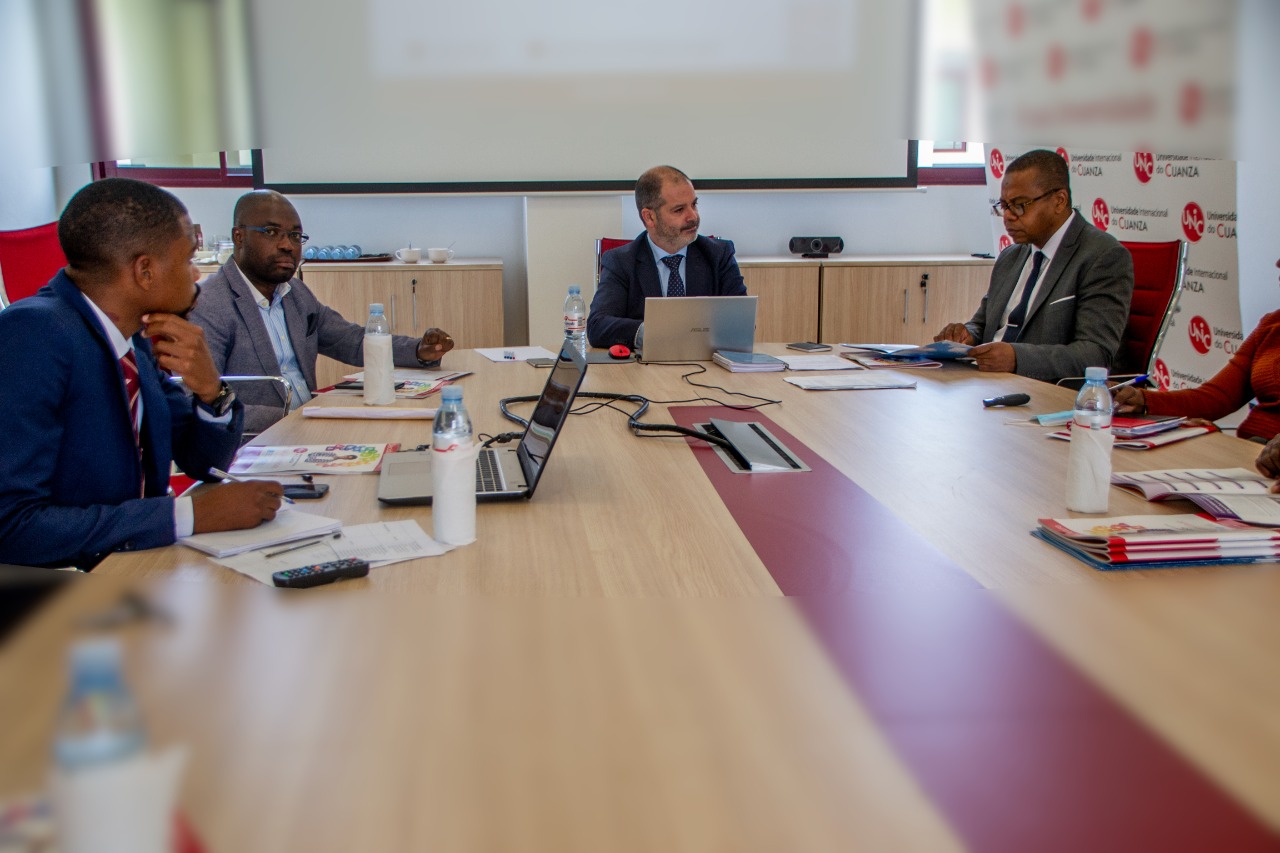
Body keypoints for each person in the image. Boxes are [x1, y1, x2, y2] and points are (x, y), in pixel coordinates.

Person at [0, 178, 283, 570]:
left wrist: (211, 390)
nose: (195, 275)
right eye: (187, 260)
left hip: (136, 566)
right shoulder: (33, 335)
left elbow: (205, 464)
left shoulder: (134, 337)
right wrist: (186, 516)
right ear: (145, 271)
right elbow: (11, 526)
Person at [189, 190, 456, 435]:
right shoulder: (210, 305)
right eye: (271, 232)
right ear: (239, 236)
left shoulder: (295, 293)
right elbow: (201, 404)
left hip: (309, 431)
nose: (287, 245)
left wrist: (418, 351)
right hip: (255, 445)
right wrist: (296, 418)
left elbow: (349, 340)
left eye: (295, 236)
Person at [934, 149, 1134, 382]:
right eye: (1004, 206)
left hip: (1044, 391)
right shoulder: (1010, 256)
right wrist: (965, 334)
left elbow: (1095, 354)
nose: (1008, 216)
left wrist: (1017, 358)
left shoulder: (1102, 256)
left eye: (1020, 205)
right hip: (986, 382)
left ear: (1059, 201)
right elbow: (983, 324)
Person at [1117, 259, 1280, 482]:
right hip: (1249, 458)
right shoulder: (1272, 325)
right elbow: (1218, 397)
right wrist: (1142, 400)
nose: (1278, 263)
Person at [587, 166, 746, 349]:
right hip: (646, 365)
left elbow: (742, 323)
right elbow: (597, 326)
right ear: (649, 217)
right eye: (679, 210)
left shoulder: (719, 255)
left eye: (694, 204)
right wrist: (657, 334)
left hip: (706, 363)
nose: (693, 216)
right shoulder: (621, 261)